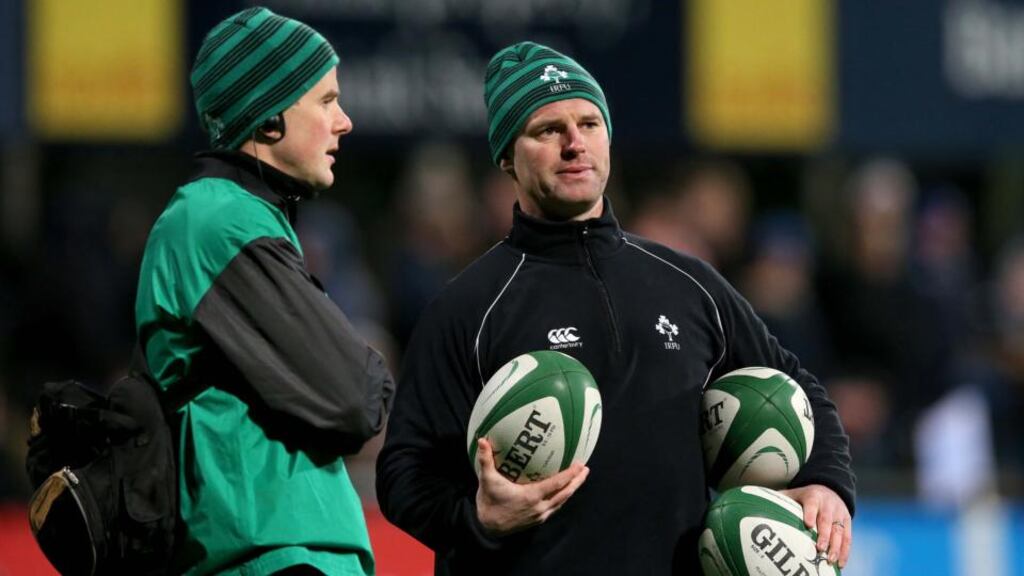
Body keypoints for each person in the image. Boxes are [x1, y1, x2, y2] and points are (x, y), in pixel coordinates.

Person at [376, 41, 855, 575]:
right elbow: (403, 473)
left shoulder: (689, 283)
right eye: (548, 130)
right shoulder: (469, 307)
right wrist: (479, 518)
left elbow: (796, 385)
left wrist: (826, 480)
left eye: (589, 123)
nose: (574, 144)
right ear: (506, 157)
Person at [135, 8, 394, 575]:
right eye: (325, 101)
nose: (344, 120)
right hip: (269, 552)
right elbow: (356, 397)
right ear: (270, 115)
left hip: (284, 546)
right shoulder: (217, 219)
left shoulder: (237, 218)